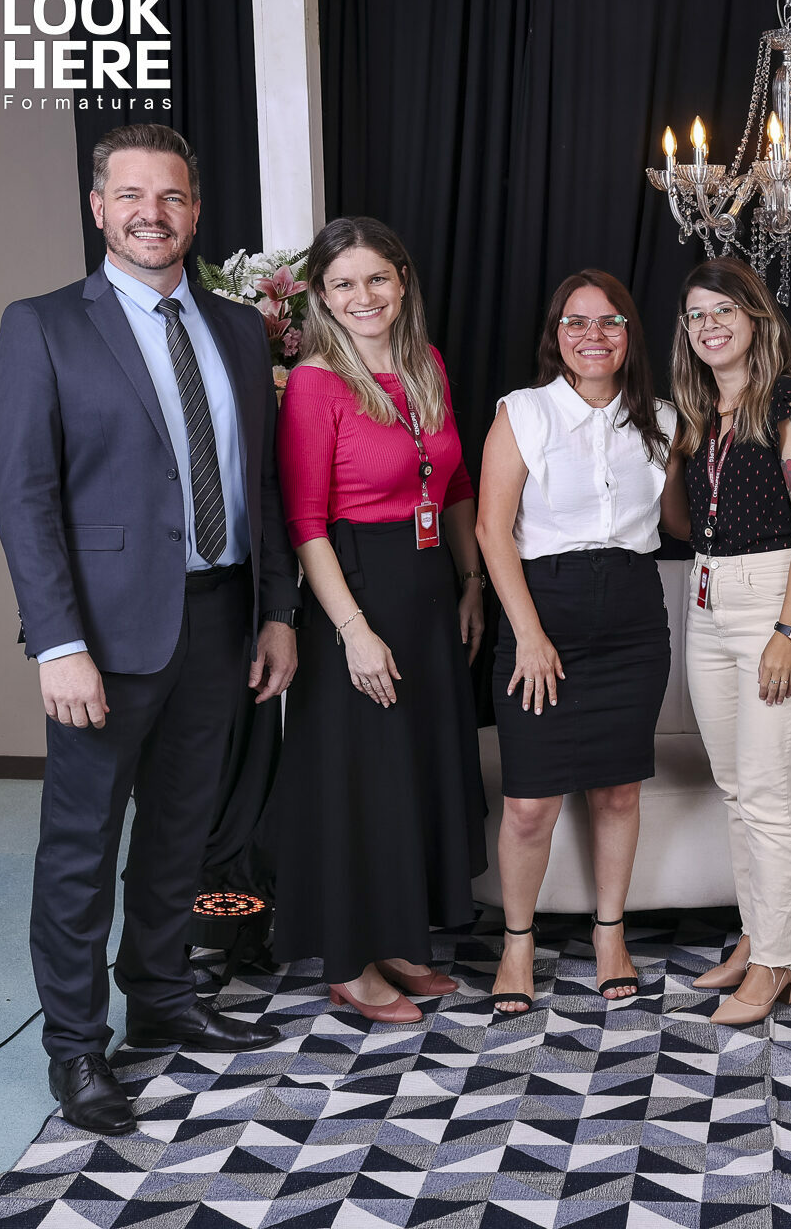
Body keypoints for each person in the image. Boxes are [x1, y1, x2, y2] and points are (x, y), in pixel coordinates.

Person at [0, 124, 299, 1136]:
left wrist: (275, 613)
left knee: (181, 828)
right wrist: (57, 642)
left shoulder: (239, 330)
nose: (150, 214)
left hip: (219, 618)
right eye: (130, 195)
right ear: (98, 209)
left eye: (170, 196)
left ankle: (161, 995)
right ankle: (77, 1047)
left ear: (195, 212)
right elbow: (25, 500)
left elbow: (263, 486)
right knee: (81, 847)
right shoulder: (43, 327)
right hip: (102, 638)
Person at [269, 217, 490, 1023]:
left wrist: (470, 581)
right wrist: (353, 631)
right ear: (322, 297)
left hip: (429, 587)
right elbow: (305, 522)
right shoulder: (315, 384)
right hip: (357, 592)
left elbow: (454, 483)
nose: (363, 296)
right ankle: (350, 963)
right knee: (359, 784)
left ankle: (397, 939)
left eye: (376, 279)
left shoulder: (425, 363)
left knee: (409, 776)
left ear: (402, 282)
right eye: (343, 284)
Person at [475, 269, 677, 1014]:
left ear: (630, 333)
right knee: (530, 805)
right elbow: (491, 529)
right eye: (576, 322)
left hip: (633, 619)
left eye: (610, 321)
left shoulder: (663, 418)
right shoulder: (523, 412)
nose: (594, 335)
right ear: (555, 335)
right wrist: (529, 635)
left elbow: (681, 522)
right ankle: (517, 943)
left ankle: (609, 935)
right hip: (544, 616)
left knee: (618, 792)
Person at [659, 257, 791, 1026]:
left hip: (775, 597)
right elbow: (679, 525)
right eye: (697, 314)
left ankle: (778, 960)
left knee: (767, 791)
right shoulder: (698, 412)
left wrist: (788, 632)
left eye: (724, 310)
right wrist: (675, 451)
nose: (710, 325)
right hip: (706, 597)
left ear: (756, 317)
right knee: (736, 787)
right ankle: (760, 935)